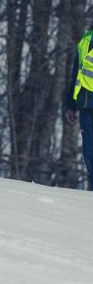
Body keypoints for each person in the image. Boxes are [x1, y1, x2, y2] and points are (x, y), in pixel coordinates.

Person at [64, 28, 93, 190]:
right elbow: (77, 74)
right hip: (86, 106)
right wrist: (71, 105)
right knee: (89, 154)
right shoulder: (86, 40)